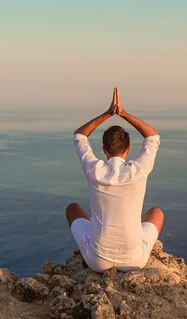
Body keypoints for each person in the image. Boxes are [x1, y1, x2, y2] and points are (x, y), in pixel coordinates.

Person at [67, 87, 164, 272]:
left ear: (104, 149)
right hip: (135, 260)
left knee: (73, 209)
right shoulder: (139, 170)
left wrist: (108, 113)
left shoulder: (94, 170)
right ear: (128, 149)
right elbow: (152, 136)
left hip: (98, 262)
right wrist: (123, 113)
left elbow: (79, 136)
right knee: (156, 213)